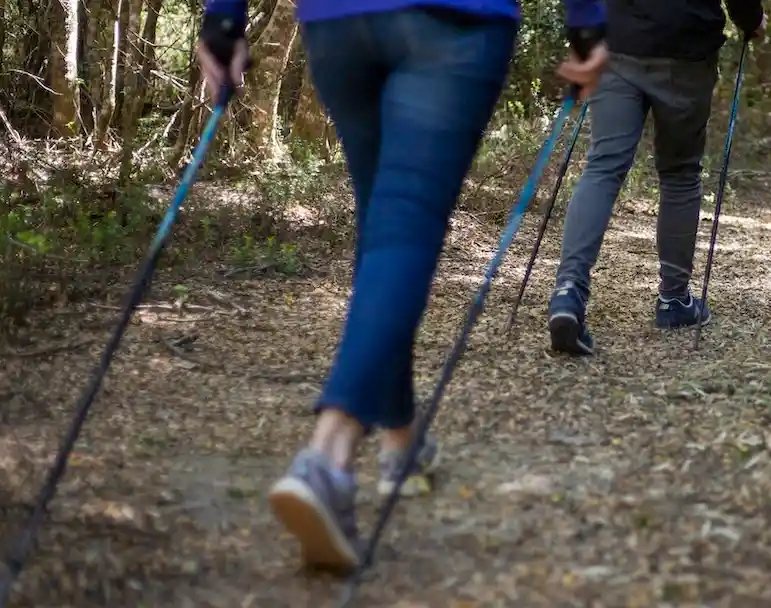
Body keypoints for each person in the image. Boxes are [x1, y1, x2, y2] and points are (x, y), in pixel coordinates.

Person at [197, 0, 607, 572]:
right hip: (453, 23)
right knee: (404, 228)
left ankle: (401, 440)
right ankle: (329, 455)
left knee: (384, 228)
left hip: (337, 24)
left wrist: (223, 18)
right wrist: (588, 23)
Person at [545, 0, 766, 356]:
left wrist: (585, 36)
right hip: (686, 47)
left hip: (618, 40)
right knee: (680, 172)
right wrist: (751, 20)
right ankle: (674, 300)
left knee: (603, 166)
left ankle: (569, 291)